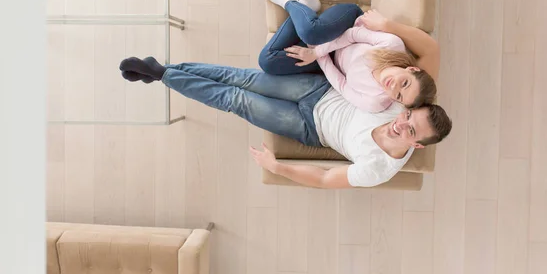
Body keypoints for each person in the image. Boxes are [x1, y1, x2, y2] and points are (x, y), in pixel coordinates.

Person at [118, 56, 452, 189]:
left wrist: (277, 167)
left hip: (310, 128)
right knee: (241, 78)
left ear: (417, 144)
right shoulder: (402, 107)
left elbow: (324, 180)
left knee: (237, 100)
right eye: (408, 116)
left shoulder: (379, 168)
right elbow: (411, 70)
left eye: (411, 131)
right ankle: (163, 70)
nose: (401, 124)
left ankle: (161, 74)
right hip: (319, 89)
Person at [256, 0, 438, 113]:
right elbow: (352, 35)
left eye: (398, 96)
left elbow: (341, 85)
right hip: (347, 25)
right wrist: (316, 51)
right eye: (405, 82)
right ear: (412, 69)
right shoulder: (392, 46)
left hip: (327, 58)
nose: (394, 87)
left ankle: (306, 8)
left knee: (268, 61)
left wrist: (317, 56)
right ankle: (288, 2)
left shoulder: (376, 102)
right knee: (312, 33)